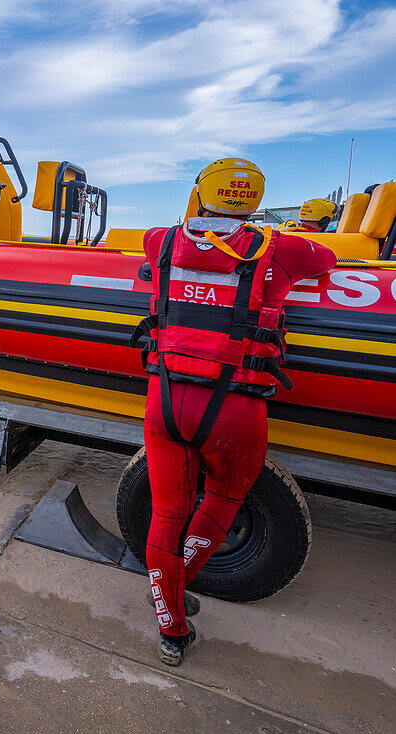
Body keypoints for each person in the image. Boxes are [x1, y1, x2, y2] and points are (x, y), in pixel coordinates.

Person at [130, 158, 335, 666]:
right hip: (234, 410)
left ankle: (171, 627)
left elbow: (174, 240)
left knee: (165, 516)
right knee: (221, 501)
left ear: (199, 192)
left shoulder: (161, 241)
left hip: (166, 400)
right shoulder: (280, 249)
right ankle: (179, 584)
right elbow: (326, 256)